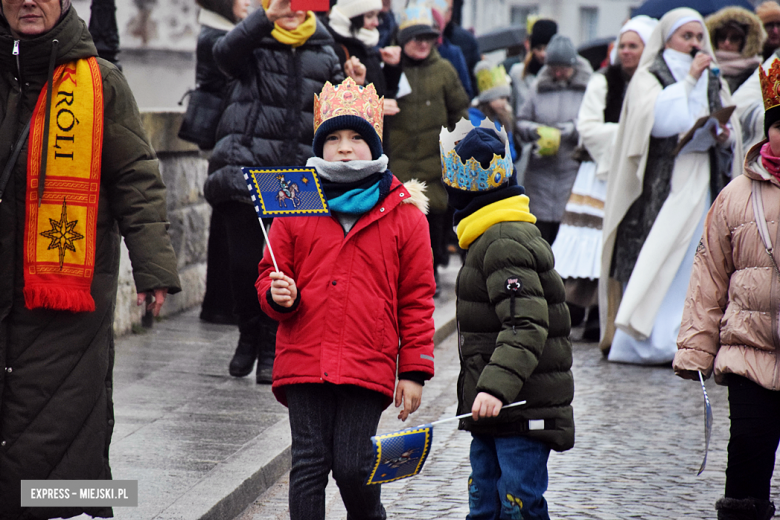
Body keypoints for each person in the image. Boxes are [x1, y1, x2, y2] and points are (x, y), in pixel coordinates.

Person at [0, 0, 182, 518]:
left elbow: (137, 181)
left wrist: (154, 269)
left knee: (56, 433)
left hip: (64, 302)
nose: (28, 1)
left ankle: (57, 505)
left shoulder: (102, 83)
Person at [255, 77, 436, 520]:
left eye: (357, 137)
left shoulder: (404, 213)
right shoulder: (296, 199)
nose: (344, 147)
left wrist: (412, 370)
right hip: (305, 356)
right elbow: (270, 274)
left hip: (367, 358)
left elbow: (417, 297)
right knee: (310, 464)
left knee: (354, 466)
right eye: (333, 137)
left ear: (374, 145)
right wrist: (281, 296)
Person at [204, 0, 344, 383]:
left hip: (294, 177)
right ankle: (247, 333)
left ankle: (270, 342)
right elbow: (223, 54)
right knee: (243, 264)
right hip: (246, 165)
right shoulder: (254, 39)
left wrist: (360, 81)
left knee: (283, 267)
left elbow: (338, 115)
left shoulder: (325, 50)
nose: (294, 10)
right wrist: (265, 18)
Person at [441, 120, 573, 520]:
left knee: (517, 506)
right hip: (496, 408)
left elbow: (525, 324)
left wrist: (495, 389)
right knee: (485, 503)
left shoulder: (501, 240)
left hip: (518, 407)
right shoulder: (490, 236)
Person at [599, 8, 742, 363]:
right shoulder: (651, 75)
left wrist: (723, 135)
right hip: (661, 183)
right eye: (686, 36)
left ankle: (692, 337)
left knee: (695, 259)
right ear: (668, 39)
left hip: (702, 176)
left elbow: (729, 119)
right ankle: (646, 339)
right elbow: (662, 122)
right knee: (660, 257)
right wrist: (689, 82)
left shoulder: (713, 75)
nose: (694, 44)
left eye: (698, 36)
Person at [673, 59, 780, 520]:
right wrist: (696, 350)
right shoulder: (736, 196)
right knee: (747, 464)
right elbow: (709, 277)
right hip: (749, 354)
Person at [552, 15, 657, 342]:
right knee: (588, 244)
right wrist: (629, 138)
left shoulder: (653, 82)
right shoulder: (603, 80)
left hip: (636, 173)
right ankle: (574, 308)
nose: (627, 51)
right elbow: (589, 127)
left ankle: (603, 313)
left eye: (634, 45)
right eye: (623, 45)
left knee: (616, 245)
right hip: (599, 173)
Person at [384, 3, 469, 295]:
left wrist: (459, 153)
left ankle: (427, 282)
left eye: (427, 37)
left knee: (431, 231)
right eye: (415, 37)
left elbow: (460, 113)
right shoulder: (388, 69)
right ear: (402, 38)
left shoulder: (445, 70)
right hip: (397, 169)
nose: (422, 43)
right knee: (396, 231)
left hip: (435, 170)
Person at [196, 0, 250, 326]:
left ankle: (221, 304)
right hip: (226, 137)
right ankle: (220, 305)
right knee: (226, 223)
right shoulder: (218, 35)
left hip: (230, 137)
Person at [516, 34, 593, 245]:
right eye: (553, 68)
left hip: (572, 173)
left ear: (574, 66)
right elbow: (521, 121)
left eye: (563, 69)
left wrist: (574, 129)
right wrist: (534, 130)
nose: (558, 73)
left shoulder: (589, 88)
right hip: (539, 174)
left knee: (566, 237)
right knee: (539, 238)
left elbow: (595, 123)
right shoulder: (538, 88)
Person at [705, 6, 765, 94]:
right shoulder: (704, 68)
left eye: (734, 38)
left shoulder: (758, 72)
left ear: (746, 42)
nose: (727, 43)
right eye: (722, 37)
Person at [508, 18, 557, 116]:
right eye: (539, 48)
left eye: (547, 48)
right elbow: (512, 107)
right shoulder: (518, 73)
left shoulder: (558, 75)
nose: (543, 54)